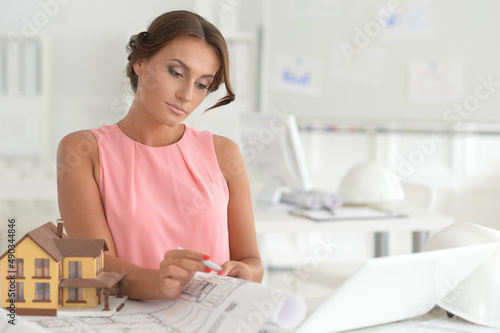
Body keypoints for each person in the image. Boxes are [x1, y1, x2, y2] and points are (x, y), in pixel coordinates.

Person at [56, 10, 263, 300]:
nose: (187, 95)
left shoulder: (224, 153)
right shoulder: (83, 151)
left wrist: (245, 273)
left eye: (202, 84)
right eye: (176, 73)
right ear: (140, 62)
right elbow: (96, 266)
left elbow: (252, 261)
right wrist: (160, 283)